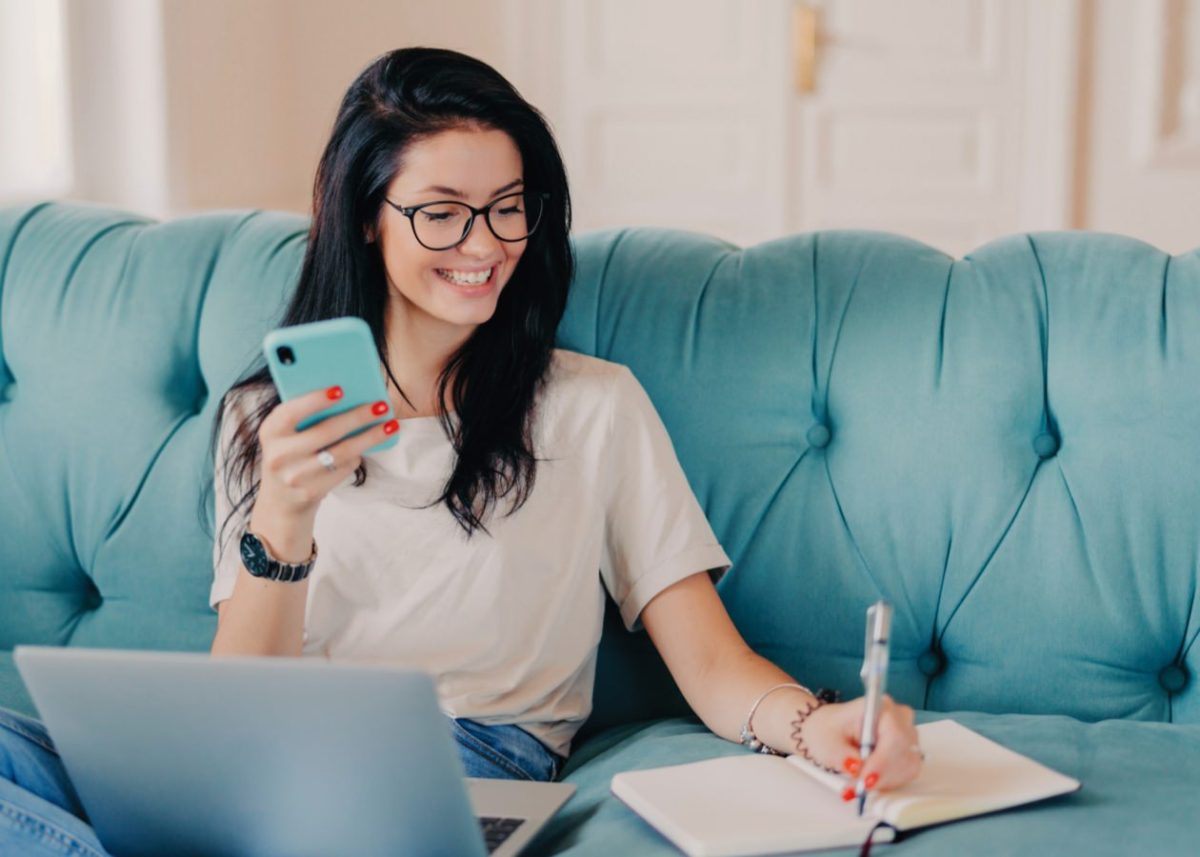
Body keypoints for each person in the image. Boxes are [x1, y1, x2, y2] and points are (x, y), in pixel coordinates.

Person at [0, 47, 920, 855]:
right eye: (442, 213)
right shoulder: (269, 419)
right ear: (367, 215)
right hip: (274, 761)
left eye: (507, 208)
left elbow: (714, 669)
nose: (484, 246)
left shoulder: (592, 408)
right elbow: (243, 704)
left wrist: (814, 724)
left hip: (467, 755)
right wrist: (282, 523)